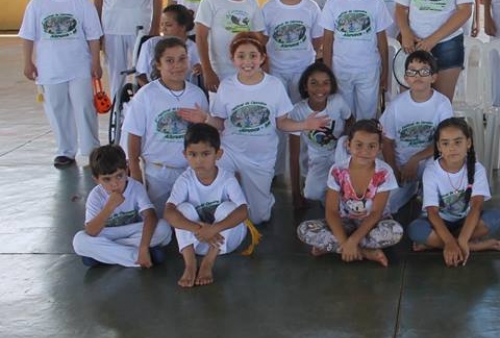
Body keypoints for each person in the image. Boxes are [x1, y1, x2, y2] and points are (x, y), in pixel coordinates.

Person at [180, 33, 330, 224]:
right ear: (233, 59)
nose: (247, 61)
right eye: (241, 56)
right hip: (229, 151)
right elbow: (220, 123)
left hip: (260, 156)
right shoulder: (226, 86)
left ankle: (262, 200)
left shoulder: (274, 85)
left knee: (259, 217)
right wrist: (205, 118)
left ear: (262, 58)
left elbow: (282, 123)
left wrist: (305, 125)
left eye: (253, 55)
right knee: (215, 196)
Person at [20, 0, 102, 168]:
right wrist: (28, 62)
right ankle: (65, 150)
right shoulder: (37, 3)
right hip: (50, 67)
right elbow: (28, 35)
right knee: (57, 108)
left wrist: (96, 62)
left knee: (84, 106)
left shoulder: (81, 2)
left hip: (79, 66)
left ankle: (91, 148)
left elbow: (94, 35)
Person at [296, 119, 404, 267]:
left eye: (371, 146)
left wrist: (352, 241)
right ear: (348, 145)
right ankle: (364, 252)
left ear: (380, 148)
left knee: (395, 232)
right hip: (344, 222)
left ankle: (335, 247)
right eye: (358, 145)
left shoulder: (384, 172)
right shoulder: (337, 170)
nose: (365, 151)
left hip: (372, 224)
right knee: (304, 230)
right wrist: (346, 241)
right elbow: (331, 211)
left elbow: (376, 213)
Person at [123, 37, 209, 214]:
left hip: (191, 172)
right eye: (169, 60)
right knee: (162, 227)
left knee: (191, 219)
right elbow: (133, 137)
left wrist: (204, 121)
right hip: (158, 174)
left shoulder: (197, 95)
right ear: (158, 64)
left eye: (182, 59)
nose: (177, 65)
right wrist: (136, 176)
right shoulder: (146, 95)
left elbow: (206, 136)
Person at [164, 123, 254, 288]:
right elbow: (168, 212)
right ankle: (190, 264)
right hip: (197, 243)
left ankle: (207, 264)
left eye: (205, 154)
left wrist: (214, 228)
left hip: (224, 244)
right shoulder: (185, 179)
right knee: (182, 209)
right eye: (193, 154)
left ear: (218, 154)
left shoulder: (227, 178)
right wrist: (199, 229)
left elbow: (243, 211)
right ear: (185, 155)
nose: (199, 160)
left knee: (228, 208)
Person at [407, 118, 500, 265]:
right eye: (446, 143)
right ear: (439, 146)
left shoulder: (477, 169)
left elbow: (476, 206)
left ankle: (443, 244)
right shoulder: (431, 171)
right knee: (415, 229)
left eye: (458, 142)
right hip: (439, 222)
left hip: (465, 222)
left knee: (495, 217)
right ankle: (473, 246)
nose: (452, 148)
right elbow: (432, 212)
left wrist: (461, 239)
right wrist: (451, 241)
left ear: (469, 143)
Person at [72, 144, 171, 268]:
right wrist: (109, 207)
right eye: (107, 179)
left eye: (119, 176)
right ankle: (138, 257)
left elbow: (150, 216)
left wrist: (144, 246)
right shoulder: (96, 196)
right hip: (108, 233)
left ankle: (103, 254)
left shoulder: (135, 187)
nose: (115, 184)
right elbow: (91, 231)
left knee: (164, 228)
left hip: (133, 231)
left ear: (127, 170)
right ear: (96, 180)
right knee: (79, 241)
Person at [379, 51, 454, 214]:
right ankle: (412, 188)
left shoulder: (442, 103)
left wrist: (416, 159)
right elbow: (387, 141)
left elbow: (446, 142)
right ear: (406, 78)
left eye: (424, 71)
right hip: (402, 166)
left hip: (429, 161)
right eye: (412, 71)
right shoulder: (396, 105)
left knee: (437, 200)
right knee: (385, 206)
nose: (418, 75)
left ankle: (428, 201)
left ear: (433, 77)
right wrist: (394, 170)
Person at [321, 0, 392, 120]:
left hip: (368, 69)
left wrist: (385, 70)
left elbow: (381, 40)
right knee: (344, 116)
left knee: (367, 116)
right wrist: (327, 71)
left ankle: (365, 144)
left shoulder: (375, 2)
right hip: (340, 70)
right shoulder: (333, 3)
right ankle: (346, 145)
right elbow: (328, 40)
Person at [194, 0, 265, 91]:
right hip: (220, 72)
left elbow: (259, 37)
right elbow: (201, 37)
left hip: (247, 70)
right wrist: (208, 70)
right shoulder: (210, 0)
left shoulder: (252, 2)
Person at [287, 62, 352, 207]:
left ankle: (342, 195)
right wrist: (296, 194)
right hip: (318, 156)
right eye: (314, 83)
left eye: (325, 83)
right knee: (311, 193)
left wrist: (347, 139)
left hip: (340, 151)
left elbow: (350, 119)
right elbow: (293, 156)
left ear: (332, 85)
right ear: (305, 86)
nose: (320, 89)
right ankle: (330, 196)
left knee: (347, 185)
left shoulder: (337, 101)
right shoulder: (298, 111)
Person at [261, 0, 323, 100]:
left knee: (300, 107)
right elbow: (262, 40)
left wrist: (305, 55)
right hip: (276, 69)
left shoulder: (311, 7)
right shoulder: (267, 8)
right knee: (279, 107)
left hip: (303, 68)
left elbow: (317, 38)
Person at [134, 4, 201, 86]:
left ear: (183, 27)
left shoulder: (196, 48)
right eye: (161, 24)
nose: (163, 29)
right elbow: (140, 75)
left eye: (168, 25)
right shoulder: (150, 44)